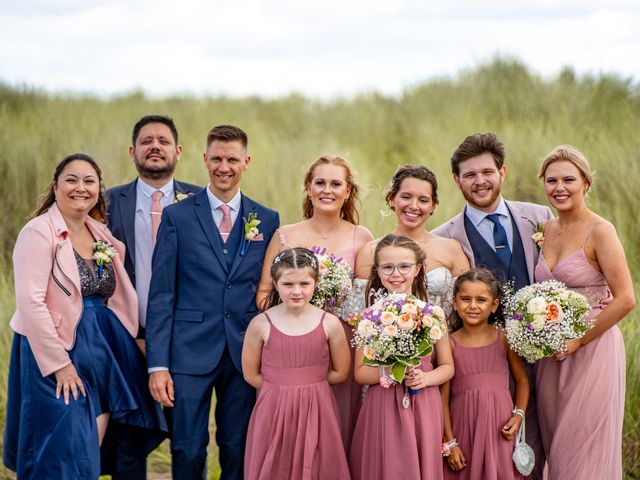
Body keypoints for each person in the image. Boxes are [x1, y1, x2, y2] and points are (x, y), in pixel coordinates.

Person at [3, 153, 167, 479]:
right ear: (55, 186)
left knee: (93, 448)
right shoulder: (38, 233)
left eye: (89, 181)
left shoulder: (100, 234)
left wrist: (131, 337)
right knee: (64, 448)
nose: (81, 187)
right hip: (58, 351)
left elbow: (117, 295)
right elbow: (31, 303)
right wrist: (60, 365)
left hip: (105, 350)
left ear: (98, 189)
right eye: (72, 180)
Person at [145, 125, 280, 479]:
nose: (224, 166)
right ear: (204, 160)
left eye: (233, 159)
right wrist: (157, 364)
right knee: (187, 447)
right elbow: (161, 294)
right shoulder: (177, 216)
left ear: (246, 162)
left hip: (244, 351)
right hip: (188, 351)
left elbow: (271, 291)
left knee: (238, 445)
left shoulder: (267, 219)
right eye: (217, 158)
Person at [433, 132, 552, 478]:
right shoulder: (443, 237)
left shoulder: (539, 217)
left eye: (487, 172)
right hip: (481, 360)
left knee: (545, 446)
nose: (479, 181)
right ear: (456, 180)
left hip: (546, 356)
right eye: (469, 175)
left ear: (502, 172)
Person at [256, 155, 373, 451]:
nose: (327, 190)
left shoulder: (362, 237)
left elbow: (368, 299)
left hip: (343, 343)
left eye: (336, 184)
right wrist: (297, 311)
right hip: (292, 346)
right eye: (320, 182)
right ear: (309, 187)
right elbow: (263, 294)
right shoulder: (286, 235)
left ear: (348, 191)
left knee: (340, 424)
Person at [534, 145, 635, 479]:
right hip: (550, 358)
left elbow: (625, 299)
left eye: (568, 179)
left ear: (586, 183)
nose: (559, 187)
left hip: (592, 351)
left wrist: (577, 341)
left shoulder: (601, 231)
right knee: (555, 448)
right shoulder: (545, 229)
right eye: (551, 181)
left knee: (581, 452)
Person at [349, 234, 455, 480]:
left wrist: (426, 378)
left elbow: (448, 366)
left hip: (424, 399)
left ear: (417, 269)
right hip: (383, 401)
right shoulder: (369, 316)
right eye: (387, 267)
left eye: (404, 266)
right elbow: (360, 372)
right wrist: (390, 372)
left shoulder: (433, 313)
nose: (396, 274)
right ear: (378, 270)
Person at [243, 248, 351, 479]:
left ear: (316, 282)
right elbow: (251, 375)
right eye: (288, 284)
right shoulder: (261, 324)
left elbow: (341, 372)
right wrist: (280, 386)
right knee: (275, 464)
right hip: (273, 407)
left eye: (304, 283)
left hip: (318, 406)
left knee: (318, 463)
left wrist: (310, 383)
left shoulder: (329, 323)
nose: (296, 291)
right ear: (275, 282)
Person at [107, 114, 201, 338]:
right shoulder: (107, 202)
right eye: (147, 141)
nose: (155, 146)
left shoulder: (200, 201)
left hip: (187, 333)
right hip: (124, 332)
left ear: (178, 152)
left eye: (164, 141)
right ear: (132, 152)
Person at [442, 268, 529, 479]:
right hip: (464, 426)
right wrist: (450, 442)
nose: (472, 306)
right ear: (455, 302)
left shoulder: (504, 338)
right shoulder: (450, 344)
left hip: (500, 426)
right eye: (465, 299)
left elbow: (522, 381)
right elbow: (442, 398)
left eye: (481, 300)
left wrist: (518, 416)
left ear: (494, 305)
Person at [355, 165, 469, 316]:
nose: (414, 206)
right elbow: (360, 314)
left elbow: (467, 302)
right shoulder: (369, 251)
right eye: (406, 197)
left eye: (423, 200)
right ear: (391, 199)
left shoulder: (451, 249)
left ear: (433, 205)